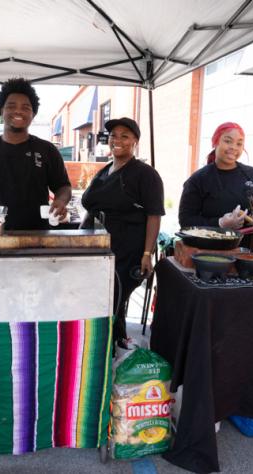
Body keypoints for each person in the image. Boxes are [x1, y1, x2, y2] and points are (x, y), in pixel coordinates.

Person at [81, 117, 165, 349]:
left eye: (124, 136)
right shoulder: (106, 170)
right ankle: (114, 349)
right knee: (107, 304)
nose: (117, 140)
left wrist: (147, 254)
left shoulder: (145, 174)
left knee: (112, 302)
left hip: (129, 250)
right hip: (102, 248)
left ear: (135, 142)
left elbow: (154, 215)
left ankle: (106, 351)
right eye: (113, 135)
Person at [0, 78, 72, 230]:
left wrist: (61, 201)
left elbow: (63, 187)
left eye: (25, 107)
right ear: (1, 111)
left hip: (38, 236)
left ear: (33, 114)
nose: (18, 111)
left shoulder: (47, 150)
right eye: (11, 106)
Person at [178, 122, 253, 249]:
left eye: (239, 143)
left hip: (251, 252)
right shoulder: (199, 179)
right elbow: (186, 221)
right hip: (213, 252)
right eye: (228, 141)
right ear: (215, 142)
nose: (234, 147)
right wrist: (220, 223)